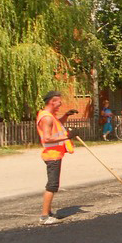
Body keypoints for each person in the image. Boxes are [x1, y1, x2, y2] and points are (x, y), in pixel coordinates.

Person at [35, 91, 78, 225]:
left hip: (55, 154)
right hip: (52, 155)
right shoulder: (46, 118)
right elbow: (47, 138)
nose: (61, 104)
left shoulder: (50, 116)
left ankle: (48, 211)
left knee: (53, 184)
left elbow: (57, 124)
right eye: (59, 101)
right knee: (52, 185)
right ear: (52, 101)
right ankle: (44, 217)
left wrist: (66, 115)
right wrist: (68, 136)